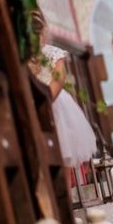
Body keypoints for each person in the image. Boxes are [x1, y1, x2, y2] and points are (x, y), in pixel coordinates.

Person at [29, 11, 97, 169]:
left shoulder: (51, 53)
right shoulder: (24, 58)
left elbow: (59, 78)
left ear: (43, 33)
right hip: (35, 103)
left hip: (55, 102)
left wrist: (47, 98)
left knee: (63, 149)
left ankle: (67, 189)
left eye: (36, 34)